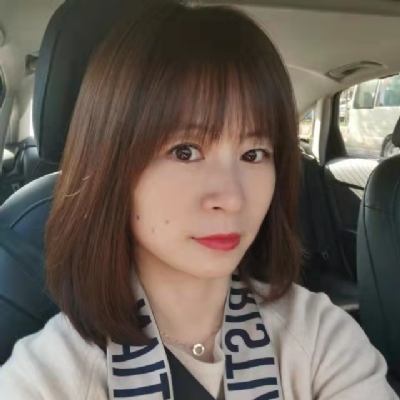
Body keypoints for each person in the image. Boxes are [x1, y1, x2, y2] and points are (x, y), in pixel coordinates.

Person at [0, 1, 398, 399]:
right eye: (185, 151)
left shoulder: (319, 337)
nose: (232, 198)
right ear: (111, 165)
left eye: (253, 154)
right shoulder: (50, 376)